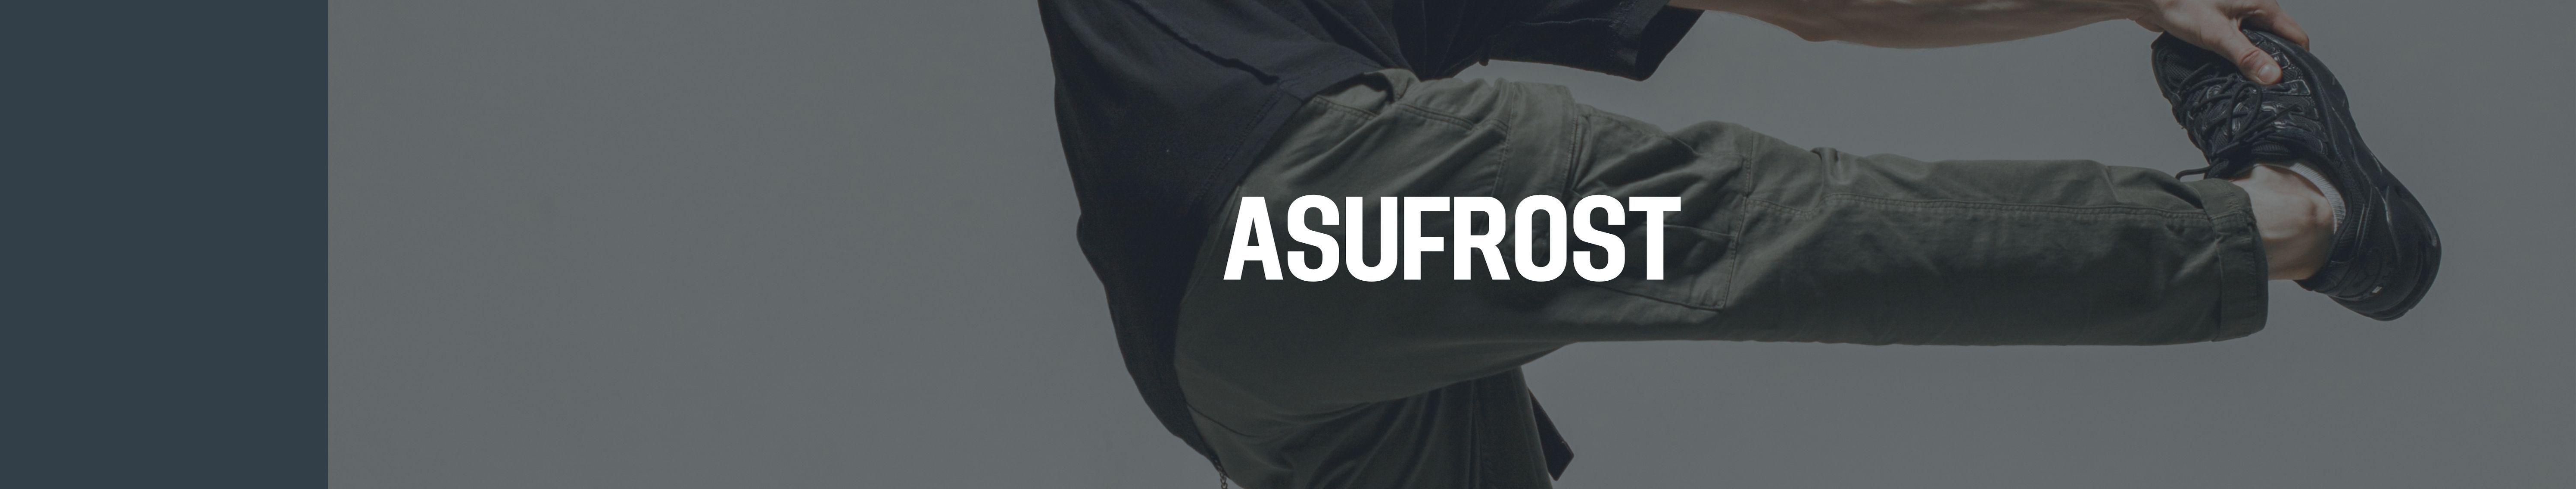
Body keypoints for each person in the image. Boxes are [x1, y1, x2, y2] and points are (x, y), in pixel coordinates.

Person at [1035, 0, 2442, 487]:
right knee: (1763, 224)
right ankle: (2296, 219)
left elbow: (1832, 10)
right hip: (1326, 209)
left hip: (1228, 347)